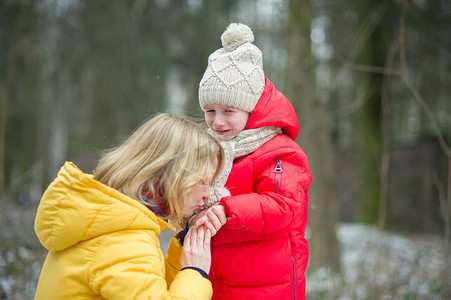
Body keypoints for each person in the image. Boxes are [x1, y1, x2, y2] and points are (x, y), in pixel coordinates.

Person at [33, 113, 226, 300]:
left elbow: (146, 289)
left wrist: (185, 247)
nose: (207, 194)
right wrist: (195, 272)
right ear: (170, 176)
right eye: (201, 181)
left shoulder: (105, 217)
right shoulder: (124, 241)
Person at [193, 23, 313, 299]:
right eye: (210, 110)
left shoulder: (278, 152)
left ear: (252, 107)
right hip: (215, 280)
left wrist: (226, 209)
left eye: (228, 110)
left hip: (267, 283)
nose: (217, 121)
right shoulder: (210, 149)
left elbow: (283, 205)